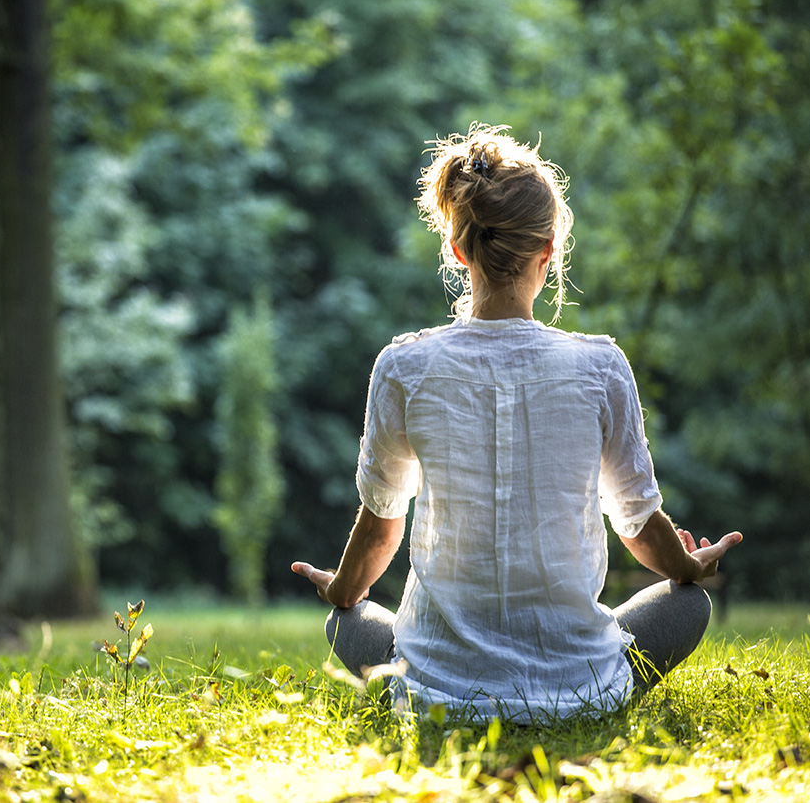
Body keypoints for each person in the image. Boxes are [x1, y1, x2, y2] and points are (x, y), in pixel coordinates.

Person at [291, 125, 742, 722]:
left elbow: (380, 529)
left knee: (344, 621)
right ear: (548, 251)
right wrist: (687, 567)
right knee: (689, 608)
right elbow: (636, 524)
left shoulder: (403, 367)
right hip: (578, 688)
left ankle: (430, 678)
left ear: (458, 249)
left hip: (437, 695)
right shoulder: (600, 366)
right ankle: (584, 692)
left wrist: (343, 590)